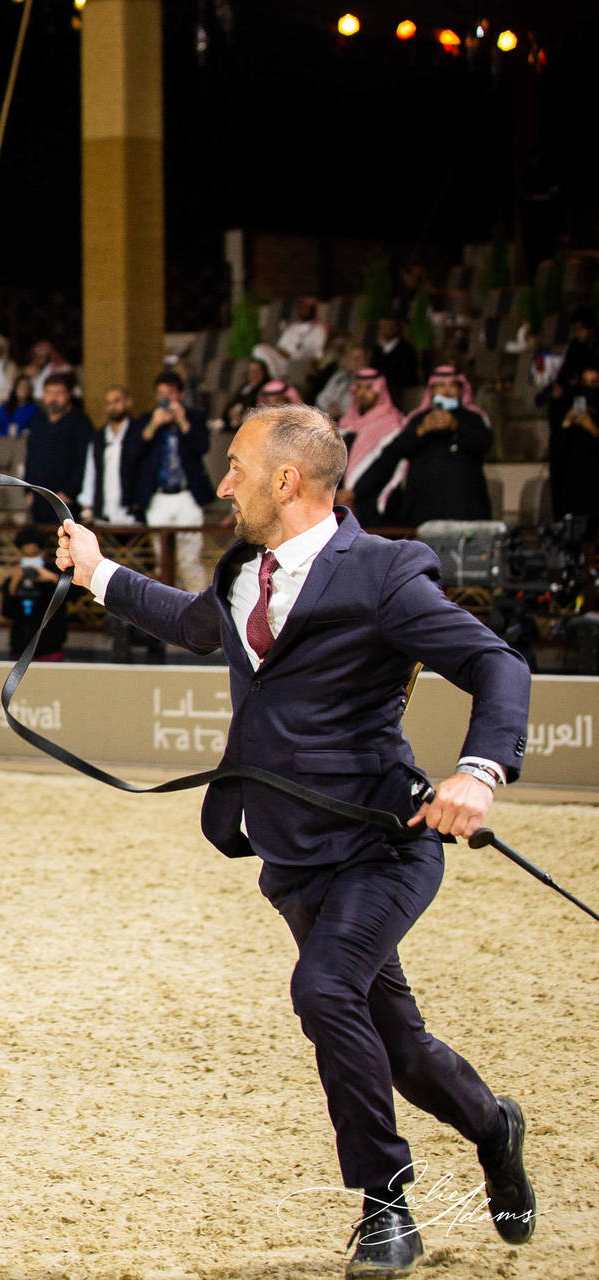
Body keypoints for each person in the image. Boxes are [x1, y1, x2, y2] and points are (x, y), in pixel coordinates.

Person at [55, 403, 536, 1278]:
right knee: (397, 1045)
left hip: (383, 846)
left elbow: (498, 664)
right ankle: (494, 1124)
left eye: (235, 466)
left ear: (287, 480)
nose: (222, 483)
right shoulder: (248, 575)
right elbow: (195, 624)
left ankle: (386, 1204)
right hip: (291, 855)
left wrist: (481, 772)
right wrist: (96, 573)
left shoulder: (385, 573)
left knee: (322, 991)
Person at [134, 369, 215, 593]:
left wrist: (182, 421)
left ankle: (197, 607)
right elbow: (134, 451)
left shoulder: (195, 417)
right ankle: (168, 611)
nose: (165, 399)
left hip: (187, 495)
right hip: (158, 497)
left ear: (180, 394)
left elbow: (202, 447)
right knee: (163, 561)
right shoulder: (146, 419)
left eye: (169, 393)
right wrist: (153, 425)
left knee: (190, 559)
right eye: (160, 394)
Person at [385, 366, 493, 526]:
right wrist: (422, 430)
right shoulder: (418, 418)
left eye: (452, 386)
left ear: (460, 389)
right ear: (433, 389)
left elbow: (484, 444)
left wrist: (456, 426)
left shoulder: (474, 418)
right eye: (441, 386)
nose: (447, 391)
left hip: (465, 506)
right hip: (424, 506)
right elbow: (397, 450)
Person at [337, 369, 407, 527]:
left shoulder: (392, 423)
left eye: (368, 388)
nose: (362, 393)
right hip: (343, 501)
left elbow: (386, 465)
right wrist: (340, 492)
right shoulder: (347, 425)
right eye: (359, 388)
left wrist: (355, 493)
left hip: (375, 503)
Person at [22, 374, 94, 527]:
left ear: (68, 395)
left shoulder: (80, 422)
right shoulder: (38, 421)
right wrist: (27, 490)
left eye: (58, 393)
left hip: (65, 500)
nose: (53, 398)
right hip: (39, 498)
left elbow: (86, 461)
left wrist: (70, 492)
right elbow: (31, 457)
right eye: (49, 393)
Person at [78, 385, 144, 526]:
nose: (112, 406)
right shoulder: (98, 436)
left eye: (117, 401)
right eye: (108, 403)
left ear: (128, 402)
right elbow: (91, 472)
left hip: (132, 512)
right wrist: (86, 507)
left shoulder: (139, 432)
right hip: (103, 512)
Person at [0, 526, 68, 660]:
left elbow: (75, 595)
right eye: (27, 556)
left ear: (44, 552)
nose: (31, 561)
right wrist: (13, 585)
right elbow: (6, 612)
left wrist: (52, 578)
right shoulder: (15, 576)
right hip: (20, 647)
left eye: (35, 555)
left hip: (50, 646)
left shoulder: (54, 574)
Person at [548, 363, 599, 533]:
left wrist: (592, 428)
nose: (587, 390)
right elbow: (557, 451)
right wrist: (567, 422)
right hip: (573, 489)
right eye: (584, 383)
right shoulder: (568, 412)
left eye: (594, 383)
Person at [370, 317, 420, 395]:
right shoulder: (377, 350)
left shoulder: (407, 350)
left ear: (395, 328)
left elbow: (408, 378)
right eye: (381, 327)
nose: (383, 329)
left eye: (387, 326)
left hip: (399, 393)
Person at [276, 297, 327, 362]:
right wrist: (288, 357)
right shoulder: (292, 328)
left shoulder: (319, 329)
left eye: (305, 308)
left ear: (312, 310)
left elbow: (317, 353)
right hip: (287, 363)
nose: (301, 311)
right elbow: (281, 347)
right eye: (300, 308)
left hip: (305, 365)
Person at [225, 359, 271, 428]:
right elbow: (232, 401)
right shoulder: (245, 386)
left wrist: (240, 413)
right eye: (251, 371)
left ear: (264, 373)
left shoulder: (268, 388)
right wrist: (230, 411)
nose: (254, 374)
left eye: (257, 371)